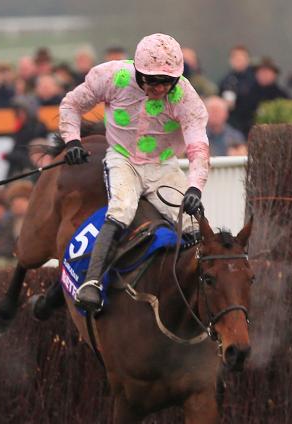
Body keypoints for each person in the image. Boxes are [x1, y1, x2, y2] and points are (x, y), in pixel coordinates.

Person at [59, 33, 209, 314]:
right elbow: (71, 104)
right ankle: (91, 282)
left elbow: (198, 147)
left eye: (167, 82)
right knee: (123, 208)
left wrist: (195, 188)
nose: (160, 88)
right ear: (138, 72)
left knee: (193, 223)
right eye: (152, 81)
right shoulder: (112, 76)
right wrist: (72, 141)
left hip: (163, 165)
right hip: (122, 158)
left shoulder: (187, 98)